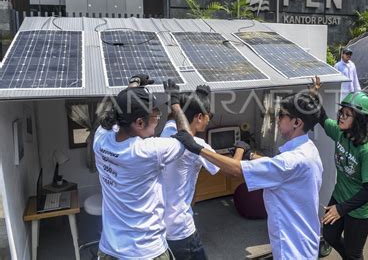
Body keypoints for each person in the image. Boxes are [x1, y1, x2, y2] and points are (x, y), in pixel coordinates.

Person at [172, 92, 324, 259]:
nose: (277, 119)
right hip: (305, 240)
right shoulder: (309, 150)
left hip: (292, 249)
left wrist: (197, 148)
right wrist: (250, 154)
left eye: (281, 115)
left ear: (297, 122)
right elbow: (276, 167)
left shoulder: (291, 161)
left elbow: (236, 170)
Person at [93, 76, 191, 260]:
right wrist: (175, 103)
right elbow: (186, 137)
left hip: (109, 250)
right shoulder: (148, 151)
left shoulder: (100, 139)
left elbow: (117, 111)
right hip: (146, 252)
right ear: (139, 123)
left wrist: (135, 83)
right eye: (155, 115)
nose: (157, 119)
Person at [309, 77, 368, 260]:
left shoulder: (367, 151)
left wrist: (341, 209)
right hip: (340, 196)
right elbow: (322, 118)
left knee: (354, 252)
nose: (340, 116)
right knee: (330, 235)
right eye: (342, 112)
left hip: (360, 210)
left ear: (359, 120)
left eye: (347, 114)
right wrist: (314, 94)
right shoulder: (340, 133)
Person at [160, 85, 219, 259]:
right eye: (209, 116)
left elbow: (176, 118)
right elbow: (232, 170)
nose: (209, 121)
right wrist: (242, 149)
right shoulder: (197, 146)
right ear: (199, 117)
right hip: (181, 229)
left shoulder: (167, 131)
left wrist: (196, 98)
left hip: (160, 226)